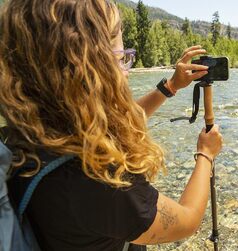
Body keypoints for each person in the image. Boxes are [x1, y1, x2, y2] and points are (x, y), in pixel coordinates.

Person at [0, 0, 223, 251]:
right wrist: (206, 154)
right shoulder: (102, 180)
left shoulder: (26, 135)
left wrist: (170, 87)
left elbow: (117, 123)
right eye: (121, 53)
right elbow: (187, 220)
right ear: (94, 65)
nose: (126, 70)